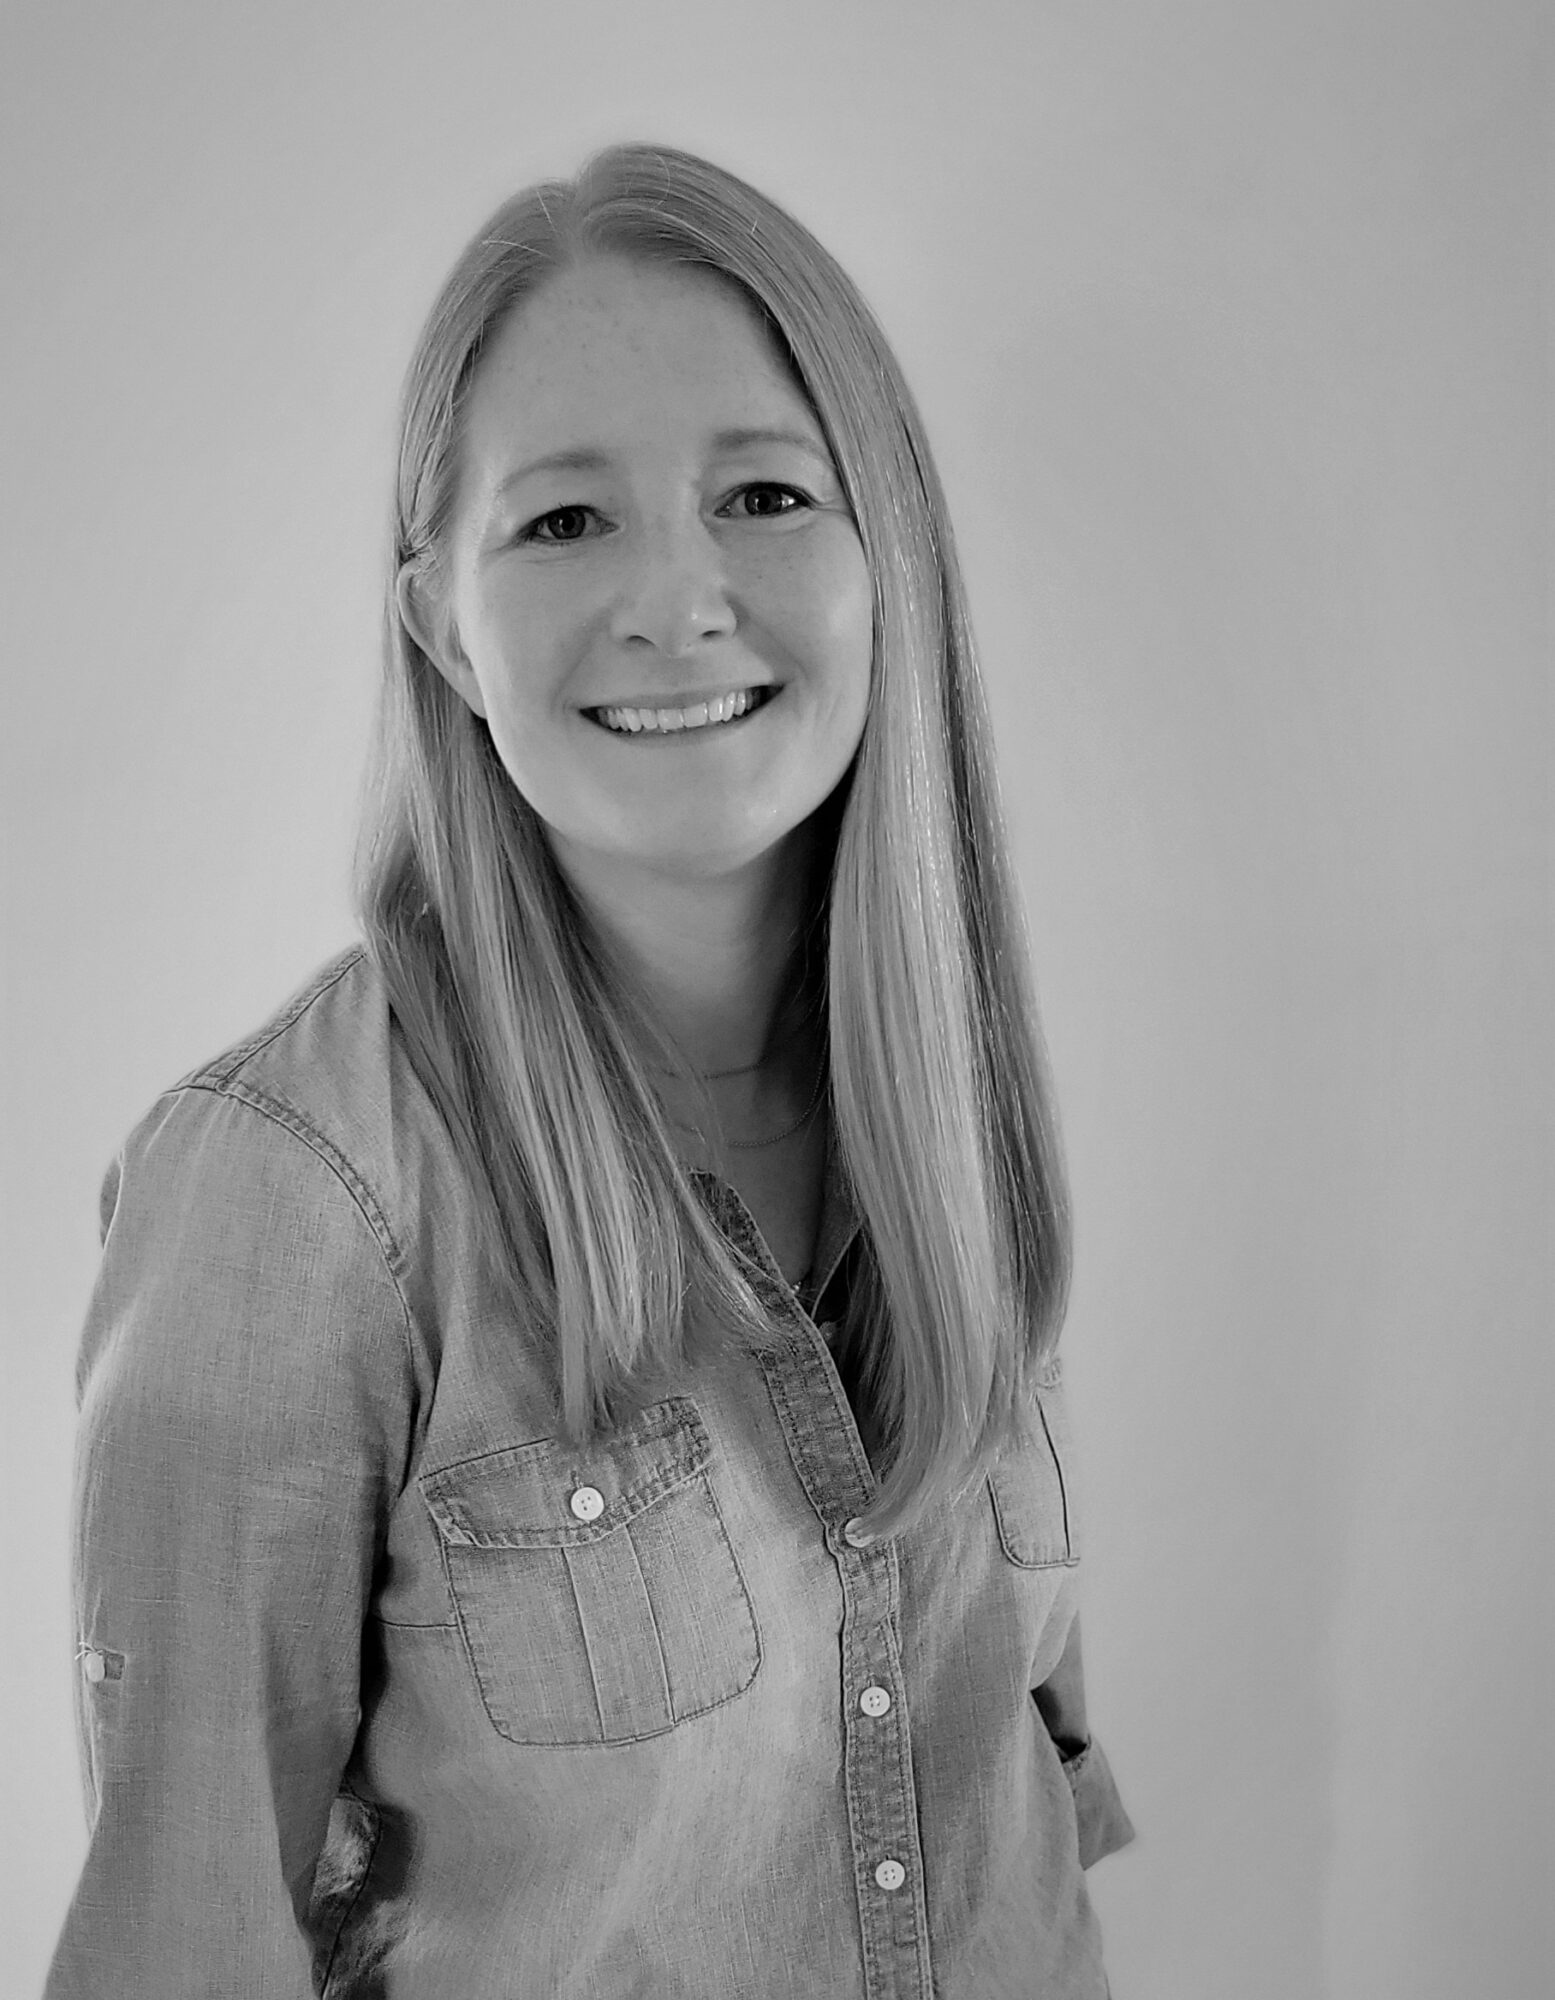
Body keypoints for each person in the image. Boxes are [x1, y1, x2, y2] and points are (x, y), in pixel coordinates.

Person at [47, 142, 1133, 1998]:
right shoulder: (287, 1197)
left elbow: (1023, 1810)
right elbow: (182, 1942)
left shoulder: (945, 1108)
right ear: (443, 631)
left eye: (765, 494)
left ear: (889, 559)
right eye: (564, 522)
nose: (677, 599)